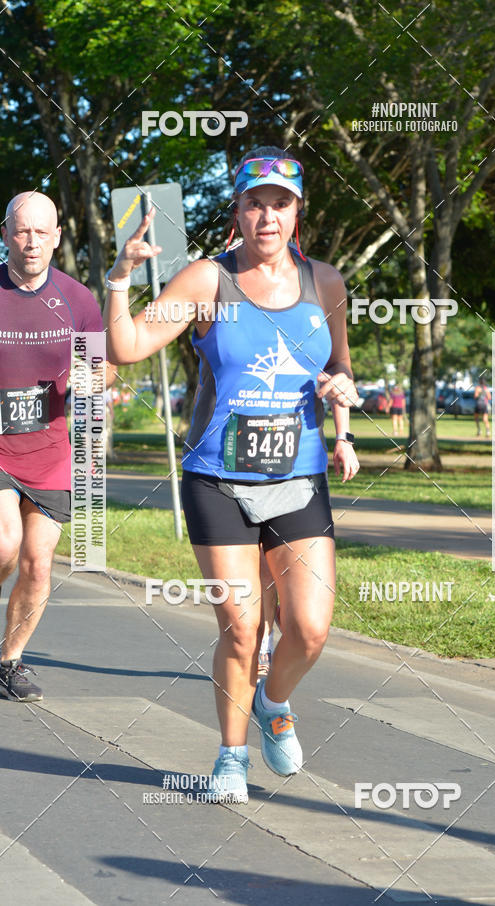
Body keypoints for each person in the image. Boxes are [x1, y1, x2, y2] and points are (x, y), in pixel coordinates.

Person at [104, 146, 360, 803]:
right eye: (255, 203)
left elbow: (340, 369)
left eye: (281, 204)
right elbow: (126, 347)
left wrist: (344, 422)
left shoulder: (325, 283)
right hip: (218, 479)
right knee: (241, 628)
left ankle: (274, 703)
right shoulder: (204, 281)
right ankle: (230, 757)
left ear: (298, 213)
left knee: (309, 627)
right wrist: (119, 277)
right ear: (238, 210)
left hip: (299, 477)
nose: (267, 216)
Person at [0, 192, 116, 701]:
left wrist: (95, 377)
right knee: (4, 543)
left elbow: (103, 363)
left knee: (39, 563)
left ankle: (9, 661)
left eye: (41, 232)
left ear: (57, 237)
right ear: (5, 234)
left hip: (50, 454)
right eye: (22, 231)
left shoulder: (78, 299)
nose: (31, 242)